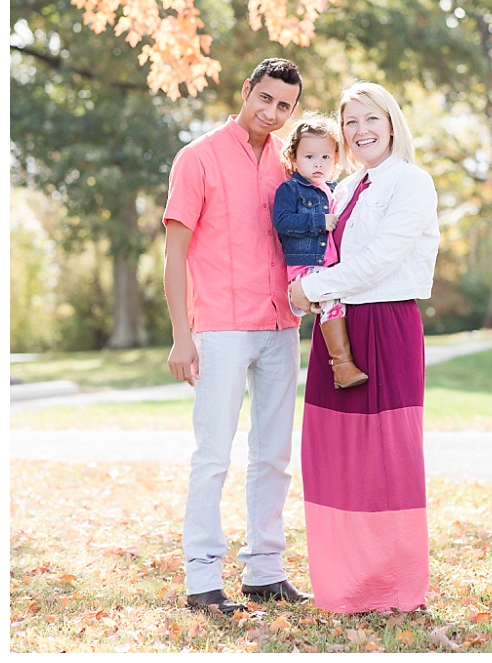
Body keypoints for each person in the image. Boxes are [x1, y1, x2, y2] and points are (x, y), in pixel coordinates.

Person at [163, 58, 313, 615]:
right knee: (213, 457)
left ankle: (265, 571)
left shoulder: (289, 164)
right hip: (221, 328)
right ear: (245, 90)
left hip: (280, 326)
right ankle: (203, 580)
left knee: (273, 455)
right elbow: (175, 254)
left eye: (284, 106)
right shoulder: (197, 158)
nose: (271, 112)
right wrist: (183, 335)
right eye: (265, 98)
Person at [287, 82, 440, 613]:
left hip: (387, 325)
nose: (361, 131)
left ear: (392, 122)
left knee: (387, 456)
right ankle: (345, 585)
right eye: (350, 122)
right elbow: (325, 252)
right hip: (339, 330)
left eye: (370, 118)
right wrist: (309, 284)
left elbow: (382, 260)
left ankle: (394, 588)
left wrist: (311, 289)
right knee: (334, 453)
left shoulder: (412, 184)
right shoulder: (347, 188)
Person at [272, 116, 368, 390]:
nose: (318, 163)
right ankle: (341, 365)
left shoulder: (336, 190)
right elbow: (282, 221)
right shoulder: (290, 189)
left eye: (326, 156)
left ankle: (343, 364)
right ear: (293, 157)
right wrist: (318, 221)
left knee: (339, 301)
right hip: (305, 264)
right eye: (310, 156)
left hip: (328, 264)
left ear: (336, 159)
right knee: (331, 301)